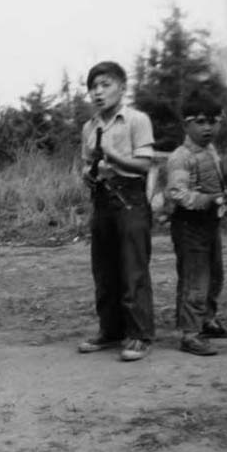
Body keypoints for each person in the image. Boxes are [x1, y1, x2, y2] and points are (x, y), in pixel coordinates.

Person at [77, 61, 155, 362]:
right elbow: (87, 163)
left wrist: (113, 156)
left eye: (105, 85)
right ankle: (110, 331)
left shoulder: (137, 120)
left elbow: (145, 164)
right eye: (93, 87)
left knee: (133, 268)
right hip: (102, 200)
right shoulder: (89, 127)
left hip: (130, 199)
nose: (98, 92)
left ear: (122, 87)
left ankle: (139, 334)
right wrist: (88, 173)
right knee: (104, 269)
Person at [165, 91, 227, 356]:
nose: (207, 127)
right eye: (199, 121)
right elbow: (177, 193)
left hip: (210, 224)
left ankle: (207, 321)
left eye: (213, 121)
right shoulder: (181, 156)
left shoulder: (211, 151)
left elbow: (223, 181)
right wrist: (208, 199)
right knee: (195, 279)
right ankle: (189, 333)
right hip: (189, 225)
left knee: (215, 275)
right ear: (185, 125)